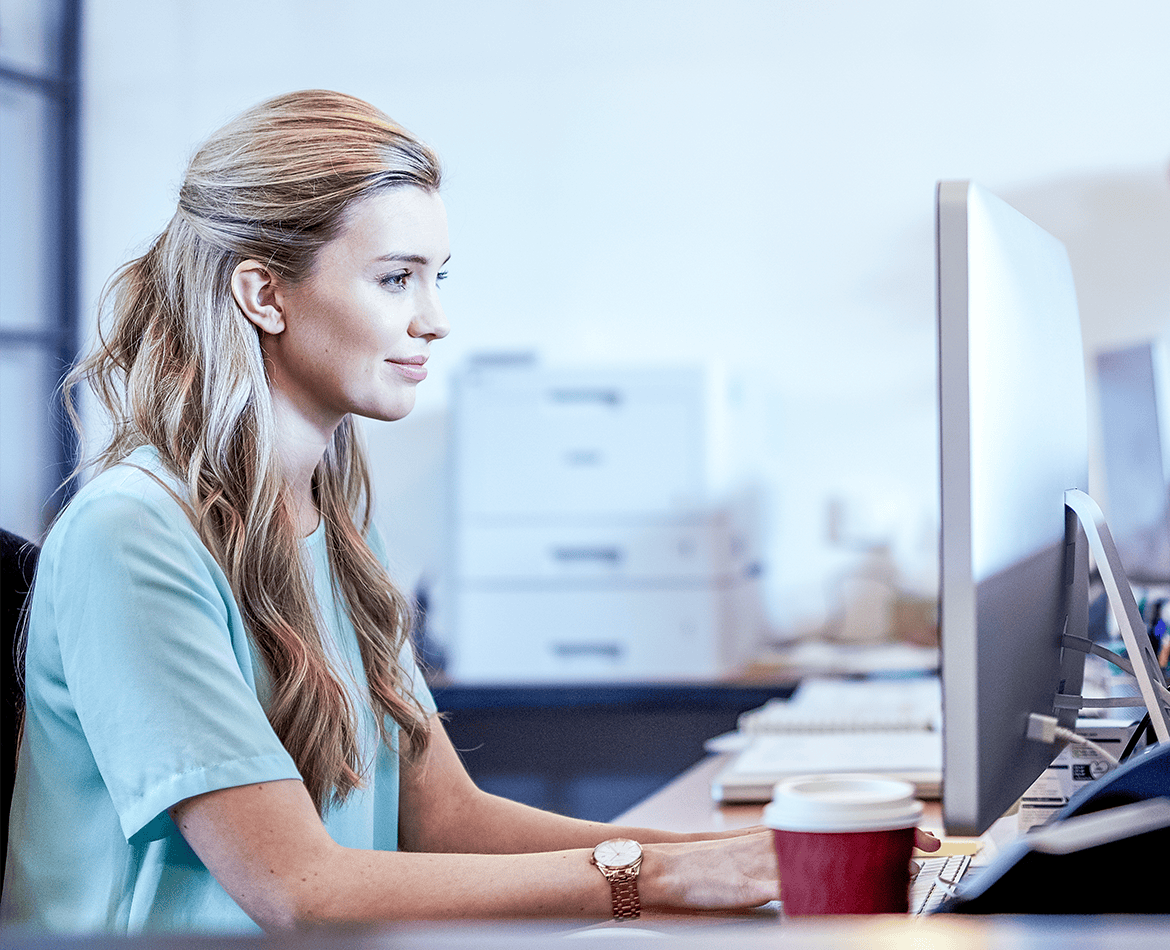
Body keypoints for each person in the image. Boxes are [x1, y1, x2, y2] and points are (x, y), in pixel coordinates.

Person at [1, 90, 933, 935]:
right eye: (397, 279)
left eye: (439, 277)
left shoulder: (332, 518)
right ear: (263, 292)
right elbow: (296, 886)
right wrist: (653, 877)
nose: (435, 321)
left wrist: (746, 864)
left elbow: (445, 818)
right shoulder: (134, 535)